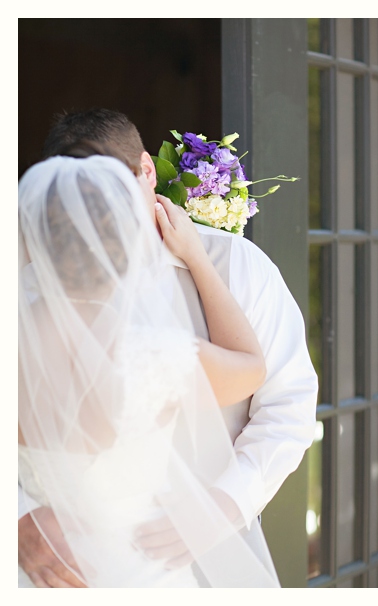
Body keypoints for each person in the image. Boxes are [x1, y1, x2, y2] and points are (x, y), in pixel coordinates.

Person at [18, 110, 319, 587]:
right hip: (55, 571)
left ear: (148, 171)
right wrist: (17, 517)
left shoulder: (237, 265)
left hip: (207, 558)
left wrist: (223, 506)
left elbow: (289, 405)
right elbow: (248, 368)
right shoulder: (22, 293)